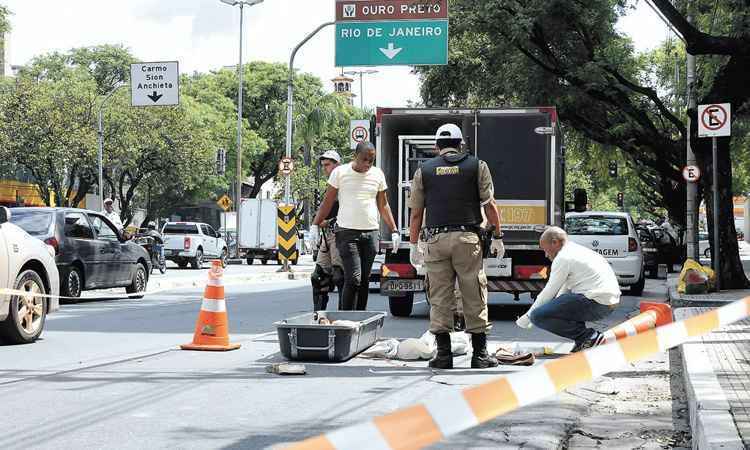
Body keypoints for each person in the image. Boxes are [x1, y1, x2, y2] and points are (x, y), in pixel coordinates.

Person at [408, 123, 505, 369]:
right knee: (473, 292)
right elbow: (489, 204)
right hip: (467, 240)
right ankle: (480, 355)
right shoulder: (477, 166)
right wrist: (497, 235)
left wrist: (412, 244)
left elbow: (417, 213)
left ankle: (443, 355)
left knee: (439, 296)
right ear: (461, 144)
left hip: (435, 241)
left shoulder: (424, 171)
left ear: (436, 146)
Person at [312, 142, 399, 311]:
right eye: (364, 159)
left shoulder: (377, 174)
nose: (367, 164)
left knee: (364, 279)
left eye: (371, 160)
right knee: (354, 278)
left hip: (371, 233)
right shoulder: (340, 173)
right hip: (346, 233)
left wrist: (394, 230)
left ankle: (361, 318)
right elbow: (327, 202)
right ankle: (346, 319)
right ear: (355, 157)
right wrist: (315, 225)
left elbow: (383, 205)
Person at [515, 226, 621, 352]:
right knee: (560, 306)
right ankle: (583, 341)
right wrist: (554, 307)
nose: (546, 254)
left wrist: (527, 317)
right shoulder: (576, 250)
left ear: (555, 242)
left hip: (596, 302)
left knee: (538, 316)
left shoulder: (563, 258)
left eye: (545, 249)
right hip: (608, 302)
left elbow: (549, 291)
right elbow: (563, 292)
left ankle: (588, 336)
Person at [310, 150, 345, 311]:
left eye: (328, 165)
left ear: (337, 165)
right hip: (327, 236)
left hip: (340, 234)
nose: (325, 169)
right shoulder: (330, 185)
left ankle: (345, 317)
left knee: (340, 277)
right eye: (323, 165)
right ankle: (319, 316)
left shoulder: (344, 182)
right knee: (318, 277)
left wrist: (329, 221)